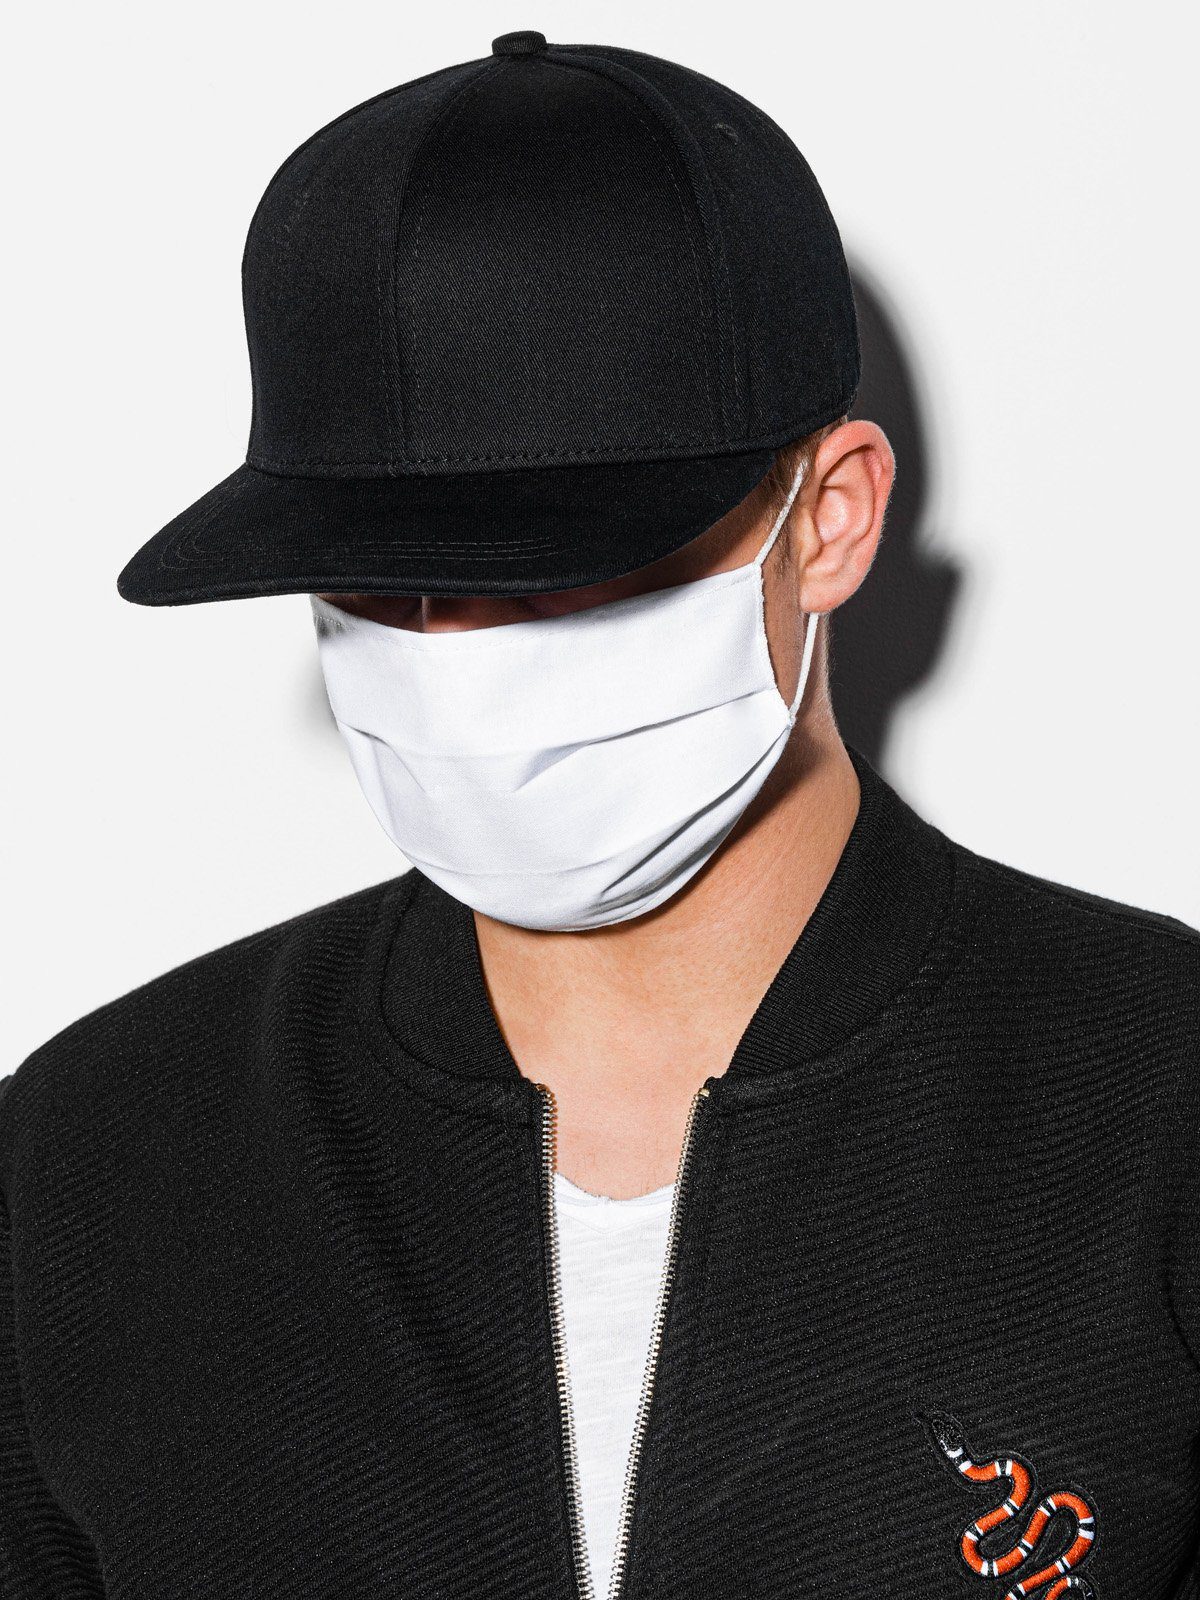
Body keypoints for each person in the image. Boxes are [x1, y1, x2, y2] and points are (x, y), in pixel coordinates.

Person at [2, 29, 1196, 1600]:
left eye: (563, 568)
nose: (457, 660)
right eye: (376, 581)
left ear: (830, 520)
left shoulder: (1155, 1109)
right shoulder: (97, 1161)